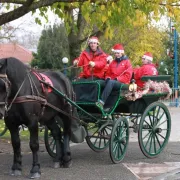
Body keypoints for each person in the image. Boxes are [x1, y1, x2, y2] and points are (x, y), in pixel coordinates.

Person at [96, 43, 133, 110]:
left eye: (118, 53)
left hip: (122, 83)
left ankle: (101, 102)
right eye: (115, 53)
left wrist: (117, 79)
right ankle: (93, 100)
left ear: (122, 53)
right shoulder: (113, 62)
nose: (116, 55)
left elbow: (128, 76)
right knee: (99, 82)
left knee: (111, 82)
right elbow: (108, 73)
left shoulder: (127, 62)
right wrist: (107, 78)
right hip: (111, 81)